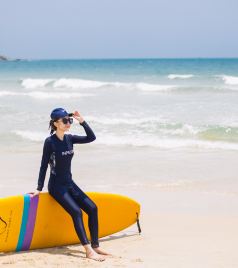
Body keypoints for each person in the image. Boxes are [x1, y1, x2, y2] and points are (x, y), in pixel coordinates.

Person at [32, 108, 110, 261]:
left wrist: (82, 121)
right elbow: (43, 165)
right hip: (56, 186)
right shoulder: (50, 142)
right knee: (77, 212)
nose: (68, 123)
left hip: (69, 183)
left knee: (93, 208)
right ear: (56, 123)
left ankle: (95, 246)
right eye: (65, 120)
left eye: (70, 120)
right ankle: (88, 250)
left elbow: (91, 137)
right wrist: (38, 188)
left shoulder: (70, 138)